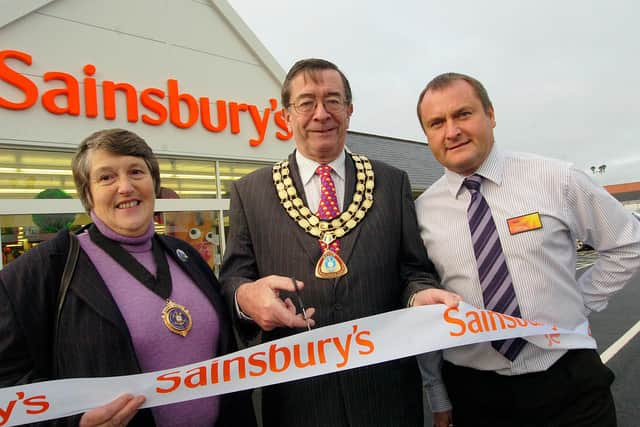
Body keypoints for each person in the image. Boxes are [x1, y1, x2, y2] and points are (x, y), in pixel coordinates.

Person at [219, 58, 459, 427]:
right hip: (297, 398)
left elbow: (413, 270)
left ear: (349, 111)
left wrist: (418, 295)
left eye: (333, 100)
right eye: (306, 102)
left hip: (385, 394)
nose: (321, 114)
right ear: (286, 116)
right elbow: (234, 276)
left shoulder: (390, 183)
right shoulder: (251, 193)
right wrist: (245, 298)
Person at [414, 72, 640, 426]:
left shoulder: (556, 179)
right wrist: (437, 394)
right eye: (436, 123)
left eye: (463, 114)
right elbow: (424, 310)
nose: (451, 131)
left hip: (567, 382)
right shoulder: (420, 212)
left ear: (490, 115)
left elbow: (628, 242)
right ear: (427, 136)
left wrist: (579, 303)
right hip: (476, 396)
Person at [0, 129, 256, 427]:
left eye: (136, 171)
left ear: (153, 183)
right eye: (106, 177)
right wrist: (73, 423)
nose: (125, 187)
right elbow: (8, 383)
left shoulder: (184, 255)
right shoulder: (46, 269)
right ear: (88, 194)